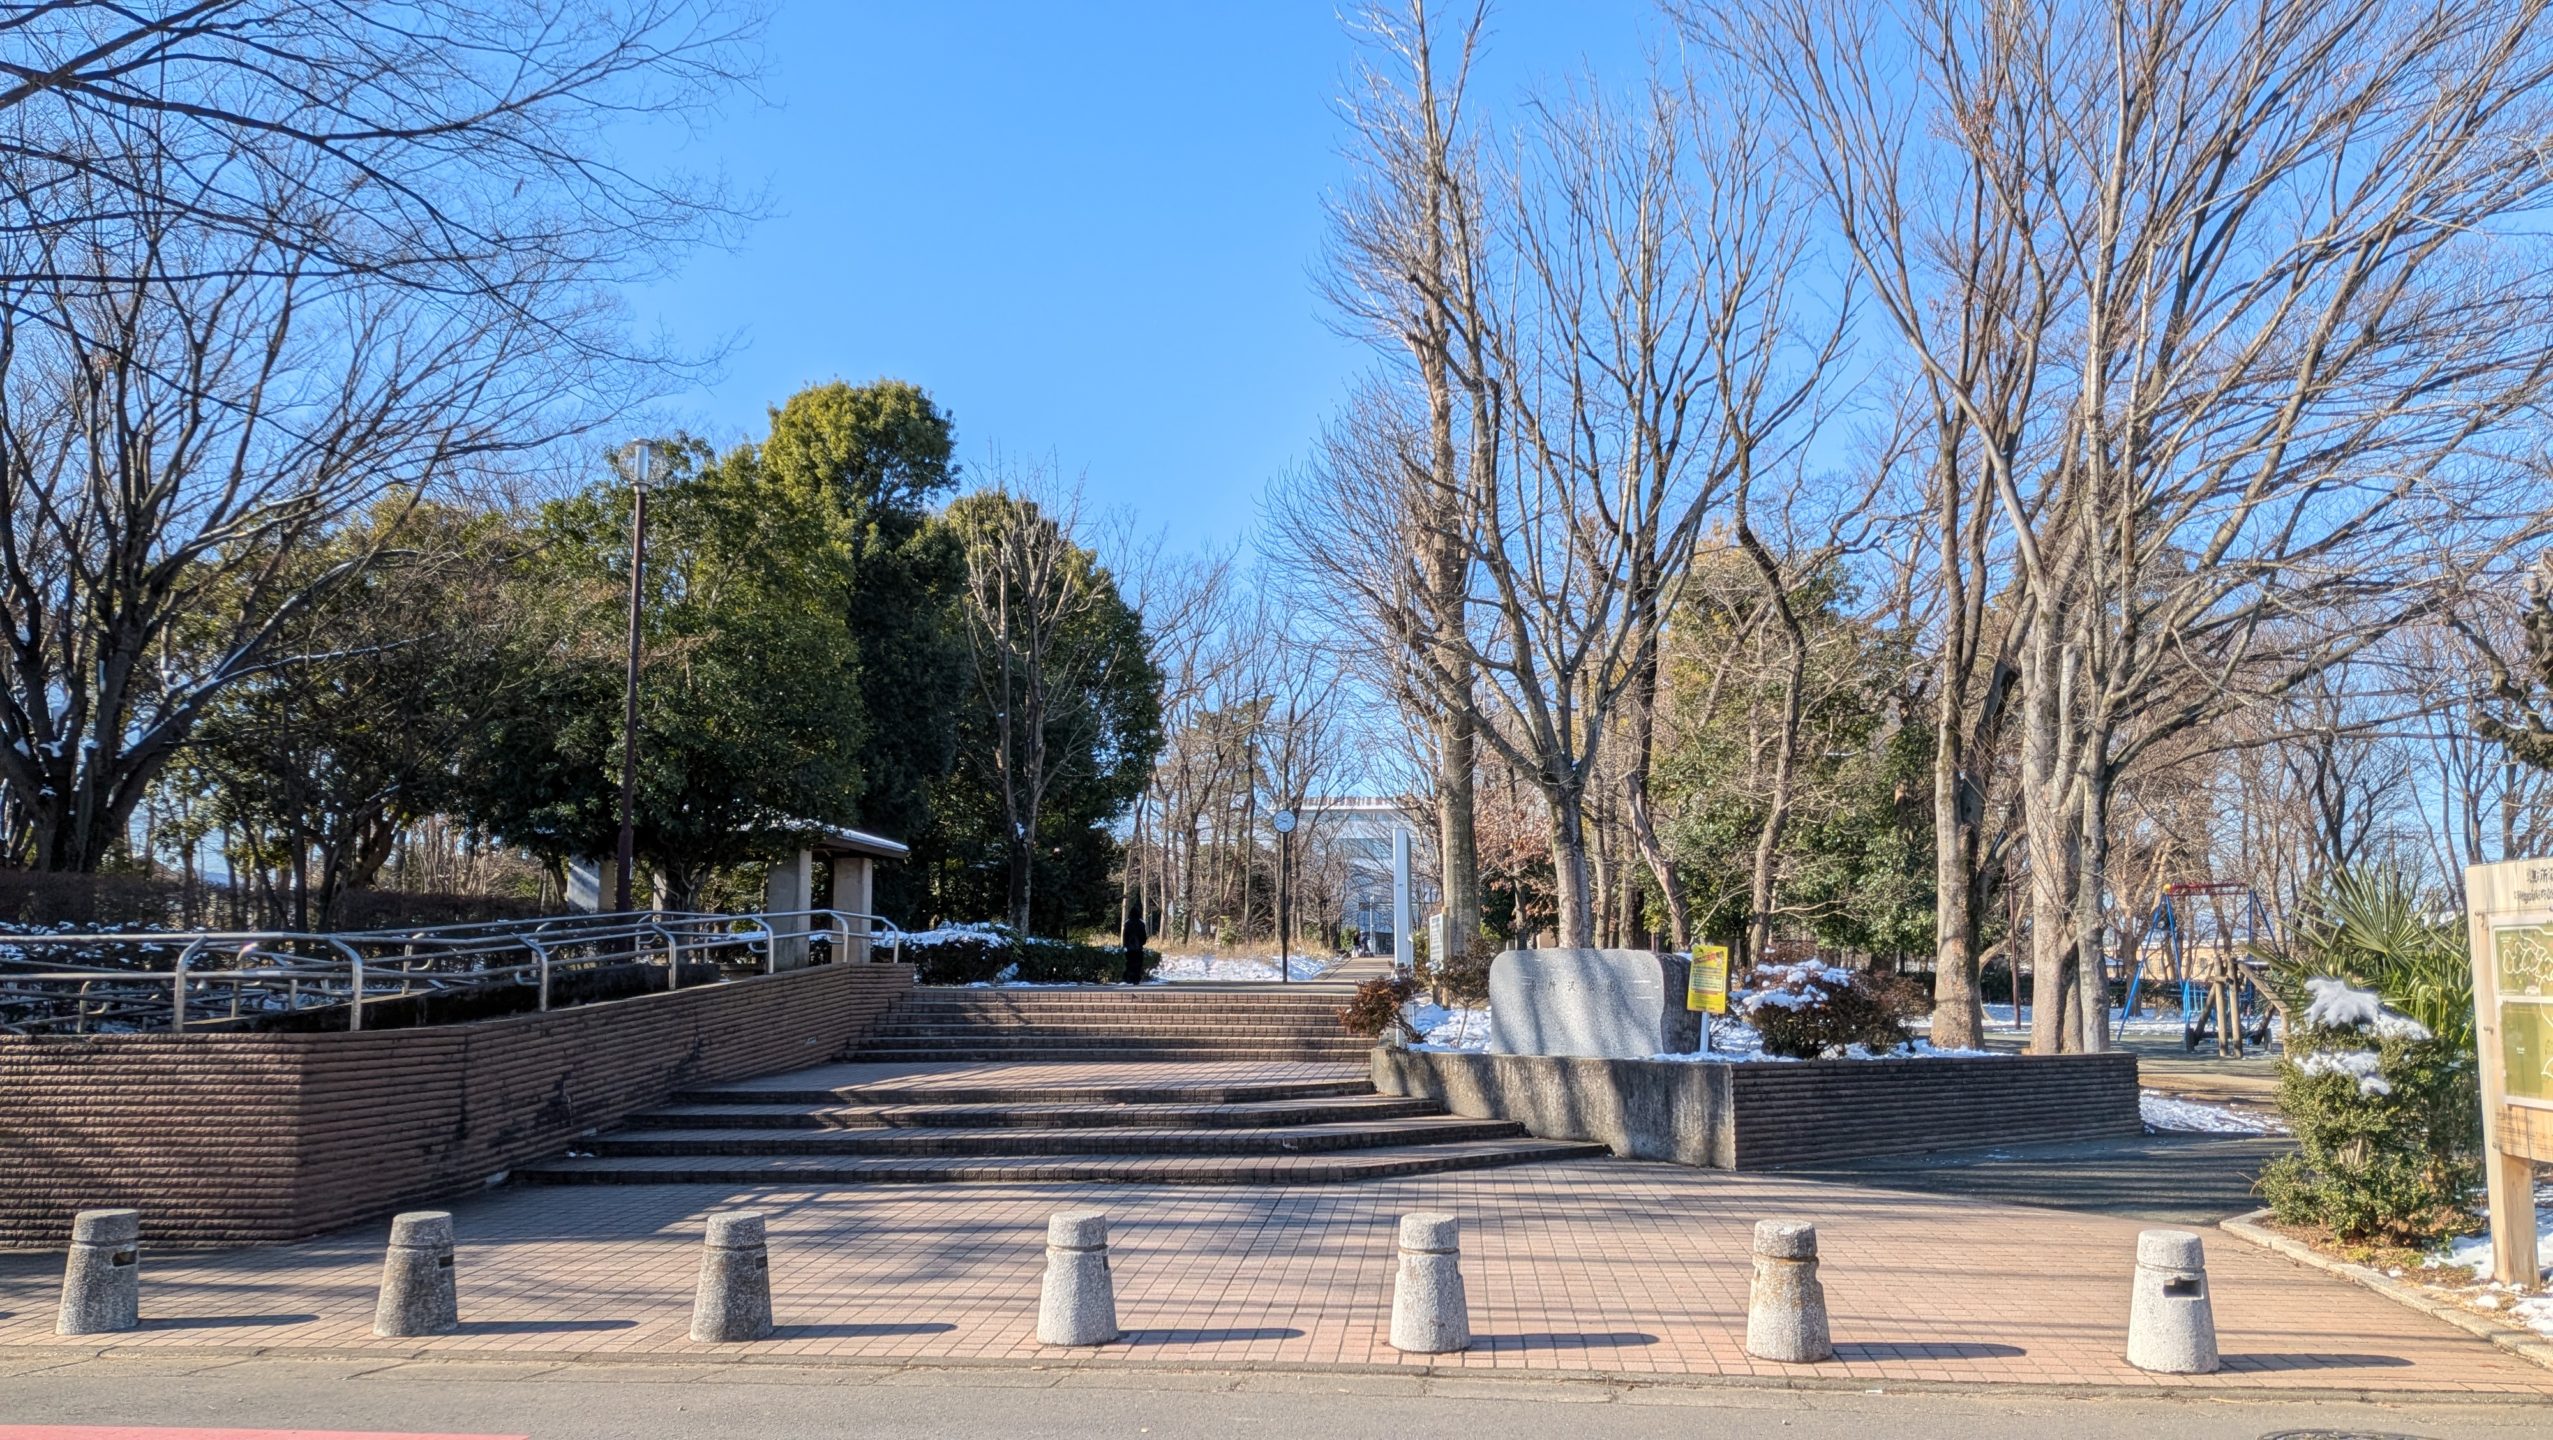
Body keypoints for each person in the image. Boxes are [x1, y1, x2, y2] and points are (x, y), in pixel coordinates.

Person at [1121, 909, 1150, 985]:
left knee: (1129, 963)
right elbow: (1144, 936)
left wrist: (1125, 944)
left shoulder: (1127, 923)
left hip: (1129, 948)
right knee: (1138, 964)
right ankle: (1136, 979)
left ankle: (1129, 978)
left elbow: (1125, 935)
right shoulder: (1141, 924)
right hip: (1138, 948)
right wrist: (1141, 943)